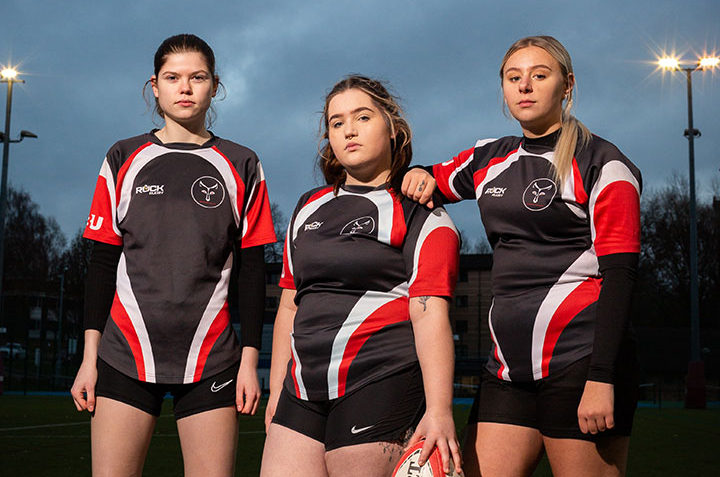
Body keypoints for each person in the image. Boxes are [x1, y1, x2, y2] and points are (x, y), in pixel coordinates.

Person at [402, 36, 641, 477]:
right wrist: (417, 173)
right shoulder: (489, 157)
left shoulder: (604, 164)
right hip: (506, 369)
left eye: (539, 75)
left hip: (581, 363)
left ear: (567, 85)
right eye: (514, 78)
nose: (525, 86)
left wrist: (601, 376)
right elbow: (431, 178)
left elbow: (621, 276)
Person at [70, 34, 276, 477]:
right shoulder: (123, 157)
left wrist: (249, 363)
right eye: (173, 77)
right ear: (155, 86)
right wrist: (89, 360)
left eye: (197, 77)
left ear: (215, 86)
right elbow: (102, 263)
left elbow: (252, 271)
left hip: (212, 360)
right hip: (124, 355)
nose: (185, 88)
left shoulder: (242, 163)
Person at [260, 75, 462, 477]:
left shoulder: (421, 212)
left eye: (362, 117)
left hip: (378, 381)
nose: (348, 129)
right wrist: (276, 392)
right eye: (336, 123)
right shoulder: (307, 207)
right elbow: (289, 304)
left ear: (392, 128)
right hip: (300, 391)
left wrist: (440, 410)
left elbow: (429, 315)